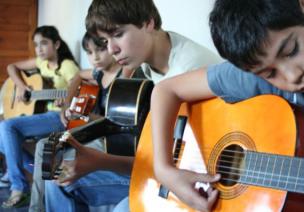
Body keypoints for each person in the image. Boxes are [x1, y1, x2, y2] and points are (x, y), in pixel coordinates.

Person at [44, 0, 223, 211]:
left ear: (149, 23)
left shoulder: (189, 69)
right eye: (105, 40)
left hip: (197, 182)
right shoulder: (155, 59)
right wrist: (97, 160)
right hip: (166, 171)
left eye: (118, 35)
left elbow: (184, 166)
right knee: (56, 182)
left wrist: (101, 161)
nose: (112, 49)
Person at [151, 0, 304, 211]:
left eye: (291, 50)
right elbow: (166, 90)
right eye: (270, 73)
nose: (293, 76)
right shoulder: (255, 77)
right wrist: (164, 170)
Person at [28, 31, 126, 212]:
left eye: (100, 49)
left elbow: (116, 123)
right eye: (89, 52)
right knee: (44, 145)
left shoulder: (124, 75)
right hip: (94, 129)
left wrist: (84, 116)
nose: (95, 57)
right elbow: (79, 76)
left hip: (108, 137)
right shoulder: (98, 73)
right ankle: (35, 208)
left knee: (55, 164)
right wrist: (66, 106)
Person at [0, 25, 80, 208]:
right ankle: (31, 170)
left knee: (7, 126)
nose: (39, 49)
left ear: (57, 44)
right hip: (41, 115)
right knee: (1, 136)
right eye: (36, 45)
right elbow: (11, 67)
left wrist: (67, 101)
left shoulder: (67, 66)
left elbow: (77, 90)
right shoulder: (41, 63)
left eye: (44, 44)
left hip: (57, 117)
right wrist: (21, 86)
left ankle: (18, 187)